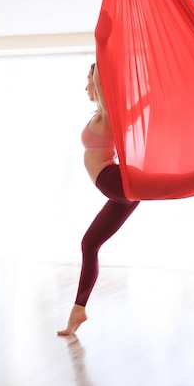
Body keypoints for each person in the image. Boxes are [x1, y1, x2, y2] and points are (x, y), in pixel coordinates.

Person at [57, 63, 139, 335]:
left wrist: (102, 45)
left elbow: (103, 80)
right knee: (89, 243)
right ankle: (78, 310)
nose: (86, 86)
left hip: (115, 182)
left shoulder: (108, 113)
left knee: (175, 186)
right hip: (118, 190)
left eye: (88, 79)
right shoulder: (105, 115)